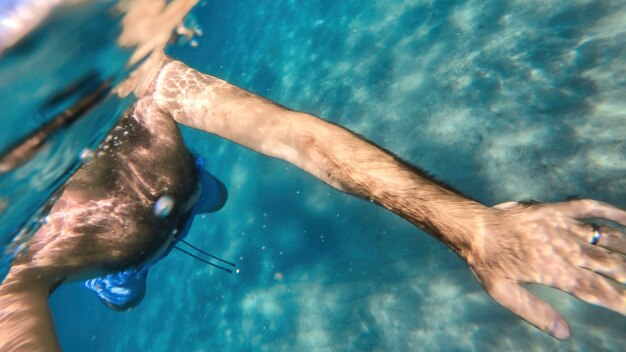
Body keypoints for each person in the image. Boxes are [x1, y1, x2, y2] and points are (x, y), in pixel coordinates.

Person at [0, 1, 624, 351]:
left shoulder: (141, 79)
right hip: (113, 261)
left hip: (181, 190)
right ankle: (119, 270)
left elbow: (295, 136)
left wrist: (472, 228)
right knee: (128, 288)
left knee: (207, 196)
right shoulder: (19, 245)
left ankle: (186, 188)